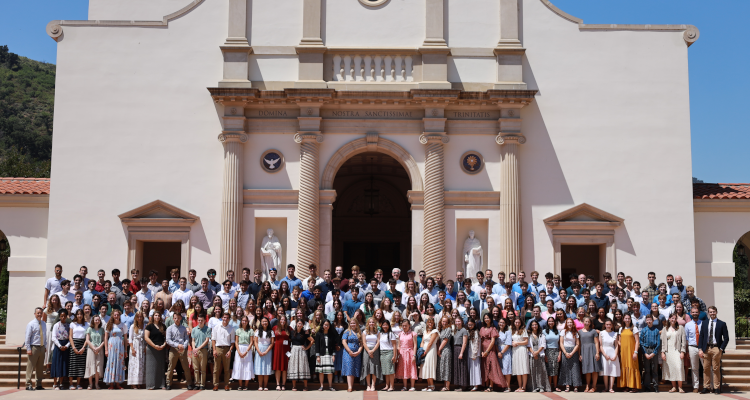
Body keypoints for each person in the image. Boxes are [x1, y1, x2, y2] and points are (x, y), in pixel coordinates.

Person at [165, 312, 193, 390]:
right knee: (170, 367)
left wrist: (183, 346)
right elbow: (168, 340)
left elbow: (186, 338)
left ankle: (189, 383)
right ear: (173, 319)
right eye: (175, 318)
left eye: (178, 318)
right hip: (173, 349)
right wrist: (177, 345)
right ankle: (168, 383)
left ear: (180, 318)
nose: (177, 320)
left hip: (182, 349)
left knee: (186, 367)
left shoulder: (184, 328)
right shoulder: (169, 328)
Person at [479, 314, 506, 392]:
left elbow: (493, 341)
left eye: (488, 318)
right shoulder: (482, 328)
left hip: (490, 350)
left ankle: (491, 386)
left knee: (491, 367)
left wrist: (487, 351)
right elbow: (481, 341)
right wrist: (481, 351)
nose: (486, 319)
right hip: (483, 350)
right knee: (485, 367)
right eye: (485, 318)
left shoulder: (493, 328)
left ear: (490, 319)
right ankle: (486, 385)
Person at [661, 313, 686, 393]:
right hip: (668, 351)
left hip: (677, 351)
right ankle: (674, 387)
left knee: (679, 368)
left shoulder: (680, 328)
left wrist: (682, 351)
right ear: (669, 319)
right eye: (672, 318)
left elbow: (684, 341)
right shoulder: (665, 328)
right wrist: (663, 352)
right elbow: (663, 342)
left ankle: (680, 387)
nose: (673, 320)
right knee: (671, 369)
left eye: (675, 318)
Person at [103, 309, 127, 389]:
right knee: (111, 363)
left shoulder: (123, 325)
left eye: (118, 315)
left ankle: (118, 383)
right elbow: (106, 338)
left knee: (119, 363)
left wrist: (125, 350)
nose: (116, 316)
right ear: (113, 316)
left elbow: (126, 339)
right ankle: (111, 384)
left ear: (120, 315)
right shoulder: (109, 325)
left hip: (120, 346)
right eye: (115, 315)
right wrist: (106, 349)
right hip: (111, 346)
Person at [25, 307, 47, 391]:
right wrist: (28, 348)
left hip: (42, 347)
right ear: (35, 314)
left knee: (40, 367)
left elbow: (45, 336)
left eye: (41, 313)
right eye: (38, 313)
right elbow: (27, 337)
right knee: (30, 367)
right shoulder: (31, 324)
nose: (39, 314)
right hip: (33, 347)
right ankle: (28, 384)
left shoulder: (44, 324)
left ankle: (39, 384)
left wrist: (45, 345)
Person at [617, 314, 641, 392]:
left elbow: (637, 341)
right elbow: (619, 341)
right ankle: (626, 385)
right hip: (623, 352)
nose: (627, 320)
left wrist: (635, 352)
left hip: (632, 351)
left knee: (632, 366)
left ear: (630, 319)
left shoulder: (634, 328)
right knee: (624, 366)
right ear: (623, 319)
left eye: (628, 318)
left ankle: (634, 386)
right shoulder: (621, 329)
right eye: (626, 318)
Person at [314, 319, 339, 391]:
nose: (326, 326)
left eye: (327, 325)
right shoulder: (319, 334)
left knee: (330, 371)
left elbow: (333, 346)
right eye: (325, 325)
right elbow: (317, 346)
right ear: (322, 325)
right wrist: (317, 356)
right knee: (321, 371)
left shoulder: (331, 334)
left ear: (329, 326)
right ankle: (321, 386)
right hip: (321, 355)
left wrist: (333, 355)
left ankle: (330, 386)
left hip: (329, 354)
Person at [232, 315, 255, 390]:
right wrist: (238, 351)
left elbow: (251, 342)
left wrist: (246, 351)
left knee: (247, 366)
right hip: (239, 348)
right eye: (243, 320)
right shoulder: (238, 330)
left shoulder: (250, 330)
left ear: (248, 321)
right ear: (241, 321)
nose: (244, 322)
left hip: (247, 349)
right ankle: (240, 385)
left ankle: (246, 385)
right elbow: (236, 342)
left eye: (245, 320)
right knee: (239, 366)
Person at [558, 318, 582, 392]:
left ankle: (575, 386)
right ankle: (567, 385)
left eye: (571, 322)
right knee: (566, 368)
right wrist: (565, 352)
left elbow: (577, 344)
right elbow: (561, 343)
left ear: (573, 323)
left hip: (573, 351)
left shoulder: (576, 332)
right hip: (565, 351)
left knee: (575, 368)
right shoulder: (563, 332)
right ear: (566, 324)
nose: (569, 324)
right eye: (568, 322)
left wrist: (572, 353)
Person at [145, 312, 167, 390]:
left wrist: (164, 345)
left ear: (160, 317)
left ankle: (161, 384)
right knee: (151, 367)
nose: (157, 317)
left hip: (161, 348)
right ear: (153, 317)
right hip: (151, 348)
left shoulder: (163, 326)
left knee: (160, 367)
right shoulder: (149, 326)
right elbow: (146, 338)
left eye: (158, 315)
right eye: (156, 315)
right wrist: (154, 346)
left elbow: (166, 337)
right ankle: (151, 385)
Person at [579, 316, 601, 393]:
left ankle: (594, 386)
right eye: (586, 321)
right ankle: (587, 385)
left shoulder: (593, 331)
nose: (587, 323)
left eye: (588, 321)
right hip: (584, 351)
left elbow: (596, 342)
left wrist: (597, 353)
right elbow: (579, 344)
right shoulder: (580, 332)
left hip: (593, 350)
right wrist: (579, 354)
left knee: (594, 369)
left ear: (590, 323)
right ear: (583, 322)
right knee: (587, 369)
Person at [527, 319, 551, 393]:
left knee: (541, 371)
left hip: (540, 354)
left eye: (536, 324)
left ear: (538, 326)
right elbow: (528, 345)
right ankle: (534, 387)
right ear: (531, 326)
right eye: (533, 325)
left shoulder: (541, 334)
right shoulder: (529, 335)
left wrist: (537, 352)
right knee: (532, 371)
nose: (534, 326)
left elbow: (543, 345)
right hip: (532, 354)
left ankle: (541, 387)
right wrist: (533, 353)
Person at [640, 314, 661, 393]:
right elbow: (641, 342)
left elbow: (658, 343)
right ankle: (647, 386)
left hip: (654, 351)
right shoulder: (643, 330)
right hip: (646, 350)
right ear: (646, 321)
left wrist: (654, 353)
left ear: (653, 321)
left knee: (654, 370)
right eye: (647, 320)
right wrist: (645, 353)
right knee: (647, 370)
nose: (649, 321)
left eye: (650, 320)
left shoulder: (656, 330)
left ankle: (655, 386)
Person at [68, 309, 89, 390]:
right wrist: (73, 347)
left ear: (83, 315)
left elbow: (87, 337)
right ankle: (70, 384)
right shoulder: (72, 324)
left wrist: (83, 347)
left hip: (83, 344)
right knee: (72, 365)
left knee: (80, 366)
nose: (79, 316)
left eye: (81, 314)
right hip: (74, 345)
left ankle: (78, 384)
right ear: (76, 315)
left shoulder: (87, 324)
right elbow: (70, 336)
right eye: (78, 314)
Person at [190, 313, 212, 390]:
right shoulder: (194, 329)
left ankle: (202, 384)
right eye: (199, 320)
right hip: (195, 350)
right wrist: (194, 349)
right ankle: (197, 384)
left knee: (203, 369)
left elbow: (207, 341)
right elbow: (193, 340)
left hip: (203, 350)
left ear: (204, 321)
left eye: (201, 320)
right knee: (196, 368)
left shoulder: (208, 329)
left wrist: (198, 348)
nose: (200, 321)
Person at [51, 309, 71, 390]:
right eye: (61, 316)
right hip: (58, 346)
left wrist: (67, 345)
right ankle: (55, 383)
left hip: (66, 346)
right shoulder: (56, 325)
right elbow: (53, 337)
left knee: (63, 364)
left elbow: (70, 337)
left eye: (64, 316)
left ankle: (61, 383)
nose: (63, 317)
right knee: (56, 364)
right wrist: (60, 346)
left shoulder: (69, 326)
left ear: (66, 317)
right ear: (59, 316)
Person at [361, 317, 383, 391]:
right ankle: (368, 385)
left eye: (373, 322)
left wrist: (373, 351)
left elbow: (378, 342)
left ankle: (373, 385)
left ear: (375, 323)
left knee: (374, 368)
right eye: (370, 322)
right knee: (367, 368)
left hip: (375, 350)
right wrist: (369, 351)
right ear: (368, 323)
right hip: (366, 351)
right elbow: (364, 342)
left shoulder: (377, 332)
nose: (371, 323)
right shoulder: (364, 332)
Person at [598, 320, 620, 393]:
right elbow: (600, 345)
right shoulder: (601, 333)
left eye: (609, 324)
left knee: (612, 370)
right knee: (605, 371)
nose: (608, 326)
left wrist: (615, 355)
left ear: (612, 325)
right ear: (605, 325)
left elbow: (616, 346)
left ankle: (611, 388)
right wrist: (605, 355)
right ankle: (606, 387)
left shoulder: (615, 334)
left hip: (612, 352)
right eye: (607, 324)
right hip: (605, 352)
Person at [342, 319, 363, 392]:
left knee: (354, 368)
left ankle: (351, 386)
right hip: (348, 353)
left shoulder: (359, 332)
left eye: (354, 323)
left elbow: (361, 344)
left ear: (357, 324)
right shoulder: (347, 332)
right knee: (349, 368)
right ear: (349, 324)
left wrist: (358, 351)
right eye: (351, 323)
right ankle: (350, 387)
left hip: (357, 353)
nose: (353, 325)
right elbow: (344, 342)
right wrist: (350, 351)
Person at [84, 314, 105, 390]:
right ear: (93, 321)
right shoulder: (89, 329)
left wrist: (98, 348)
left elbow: (103, 340)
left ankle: (96, 384)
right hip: (91, 350)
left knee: (97, 367)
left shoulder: (102, 329)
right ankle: (90, 384)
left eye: (98, 320)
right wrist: (93, 348)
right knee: (90, 366)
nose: (97, 321)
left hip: (99, 350)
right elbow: (87, 340)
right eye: (96, 320)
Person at [254, 317, 274, 390]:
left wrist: (266, 351)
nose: (264, 323)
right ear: (261, 323)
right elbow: (255, 342)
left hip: (267, 350)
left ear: (268, 322)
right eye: (263, 321)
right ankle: (260, 386)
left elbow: (272, 343)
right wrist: (259, 351)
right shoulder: (257, 331)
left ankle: (265, 386)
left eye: (266, 321)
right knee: (260, 369)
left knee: (266, 369)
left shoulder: (271, 332)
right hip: (259, 350)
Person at [397, 318, 417, 391]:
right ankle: (405, 386)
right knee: (403, 369)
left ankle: (412, 386)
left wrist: (414, 355)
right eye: (403, 326)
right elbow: (399, 345)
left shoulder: (413, 334)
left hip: (410, 352)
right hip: (402, 353)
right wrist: (398, 355)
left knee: (412, 368)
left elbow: (415, 345)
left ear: (409, 325)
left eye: (406, 325)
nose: (404, 327)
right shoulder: (400, 334)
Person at [510, 317, 530, 392]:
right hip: (515, 350)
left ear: (521, 323)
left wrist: (517, 343)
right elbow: (511, 340)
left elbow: (526, 342)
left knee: (523, 368)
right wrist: (512, 343)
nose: (517, 324)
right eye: (516, 322)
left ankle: (524, 387)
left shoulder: (523, 330)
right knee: (518, 369)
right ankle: (519, 386)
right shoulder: (513, 330)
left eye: (518, 322)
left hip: (522, 350)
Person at [126, 311, 145, 389]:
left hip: (142, 345)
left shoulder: (145, 326)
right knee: (134, 364)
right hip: (135, 345)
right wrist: (132, 349)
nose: (139, 318)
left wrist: (145, 347)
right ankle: (133, 383)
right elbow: (130, 339)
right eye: (138, 317)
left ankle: (139, 382)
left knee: (141, 364)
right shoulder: (132, 326)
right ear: (136, 318)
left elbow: (146, 337)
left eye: (141, 317)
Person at [420, 316, 439, 392]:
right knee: (425, 367)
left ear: (433, 323)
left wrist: (425, 352)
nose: (430, 323)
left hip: (431, 351)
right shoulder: (425, 331)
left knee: (429, 367)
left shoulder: (435, 331)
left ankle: (432, 386)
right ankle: (428, 385)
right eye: (429, 322)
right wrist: (421, 350)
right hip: (424, 350)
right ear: (427, 323)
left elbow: (430, 343)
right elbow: (422, 342)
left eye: (431, 322)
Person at [271, 314, 290, 390]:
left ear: (286, 321)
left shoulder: (288, 329)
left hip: (286, 350)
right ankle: (278, 384)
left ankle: (283, 384)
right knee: (278, 367)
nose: (283, 321)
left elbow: (294, 336)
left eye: (284, 320)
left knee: (284, 367)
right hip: (277, 349)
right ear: (279, 321)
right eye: (281, 319)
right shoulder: (275, 328)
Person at [378, 320, 398, 391]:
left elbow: (394, 345)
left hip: (389, 352)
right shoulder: (381, 333)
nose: (385, 326)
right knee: (386, 371)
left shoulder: (391, 334)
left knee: (390, 371)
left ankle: (392, 386)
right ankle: (387, 386)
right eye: (383, 325)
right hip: (382, 353)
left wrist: (394, 356)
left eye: (386, 325)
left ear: (388, 326)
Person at [543, 316, 560, 392]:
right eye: (549, 321)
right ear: (547, 322)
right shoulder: (544, 331)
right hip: (547, 351)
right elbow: (543, 344)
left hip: (556, 350)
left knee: (555, 369)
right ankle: (549, 386)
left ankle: (555, 386)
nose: (551, 323)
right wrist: (545, 354)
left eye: (552, 321)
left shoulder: (558, 331)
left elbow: (560, 343)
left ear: (554, 322)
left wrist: (560, 354)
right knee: (549, 369)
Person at [435, 316, 453, 391]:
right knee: (443, 367)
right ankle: (444, 385)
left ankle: (447, 386)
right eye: (443, 321)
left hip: (446, 350)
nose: (444, 323)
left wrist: (438, 350)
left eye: (446, 321)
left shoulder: (448, 329)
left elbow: (445, 340)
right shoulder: (441, 329)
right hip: (441, 350)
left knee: (447, 368)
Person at [496, 317, 512, 388]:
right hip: (498, 351)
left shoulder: (508, 332)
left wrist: (502, 352)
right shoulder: (497, 332)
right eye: (500, 322)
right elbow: (495, 343)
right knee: (500, 369)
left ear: (505, 324)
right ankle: (502, 385)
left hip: (506, 351)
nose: (501, 324)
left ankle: (508, 386)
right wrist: (498, 352)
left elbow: (508, 344)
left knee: (507, 369)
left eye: (503, 323)